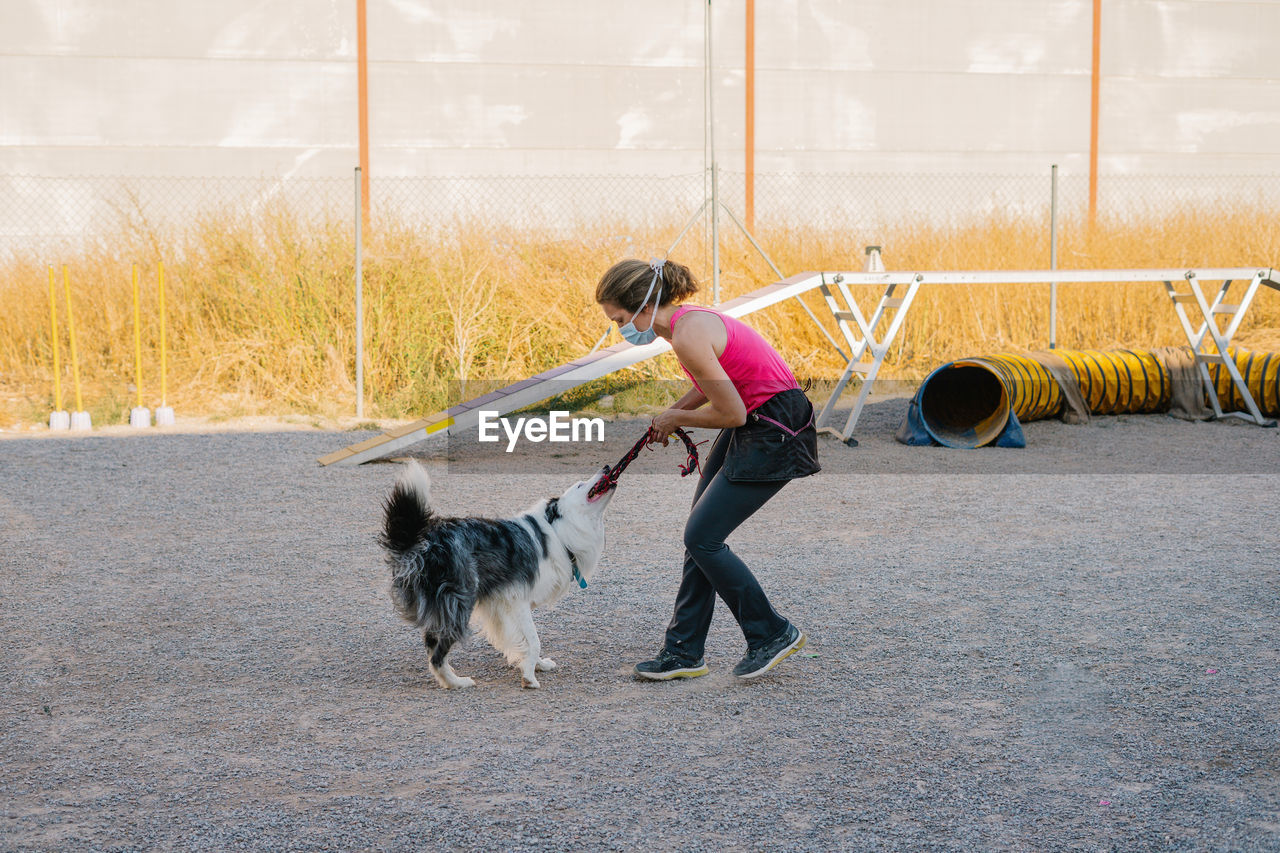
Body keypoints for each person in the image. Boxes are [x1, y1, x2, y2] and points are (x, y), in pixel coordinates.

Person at [596, 257, 820, 681]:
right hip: (763, 419)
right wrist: (671, 412)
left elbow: (732, 412)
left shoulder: (686, 334)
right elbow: (711, 384)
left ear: (643, 306)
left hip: (773, 427)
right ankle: (684, 652)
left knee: (703, 536)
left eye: (620, 319)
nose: (619, 328)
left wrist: (676, 420)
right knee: (700, 535)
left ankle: (772, 633)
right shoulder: (689, 324)